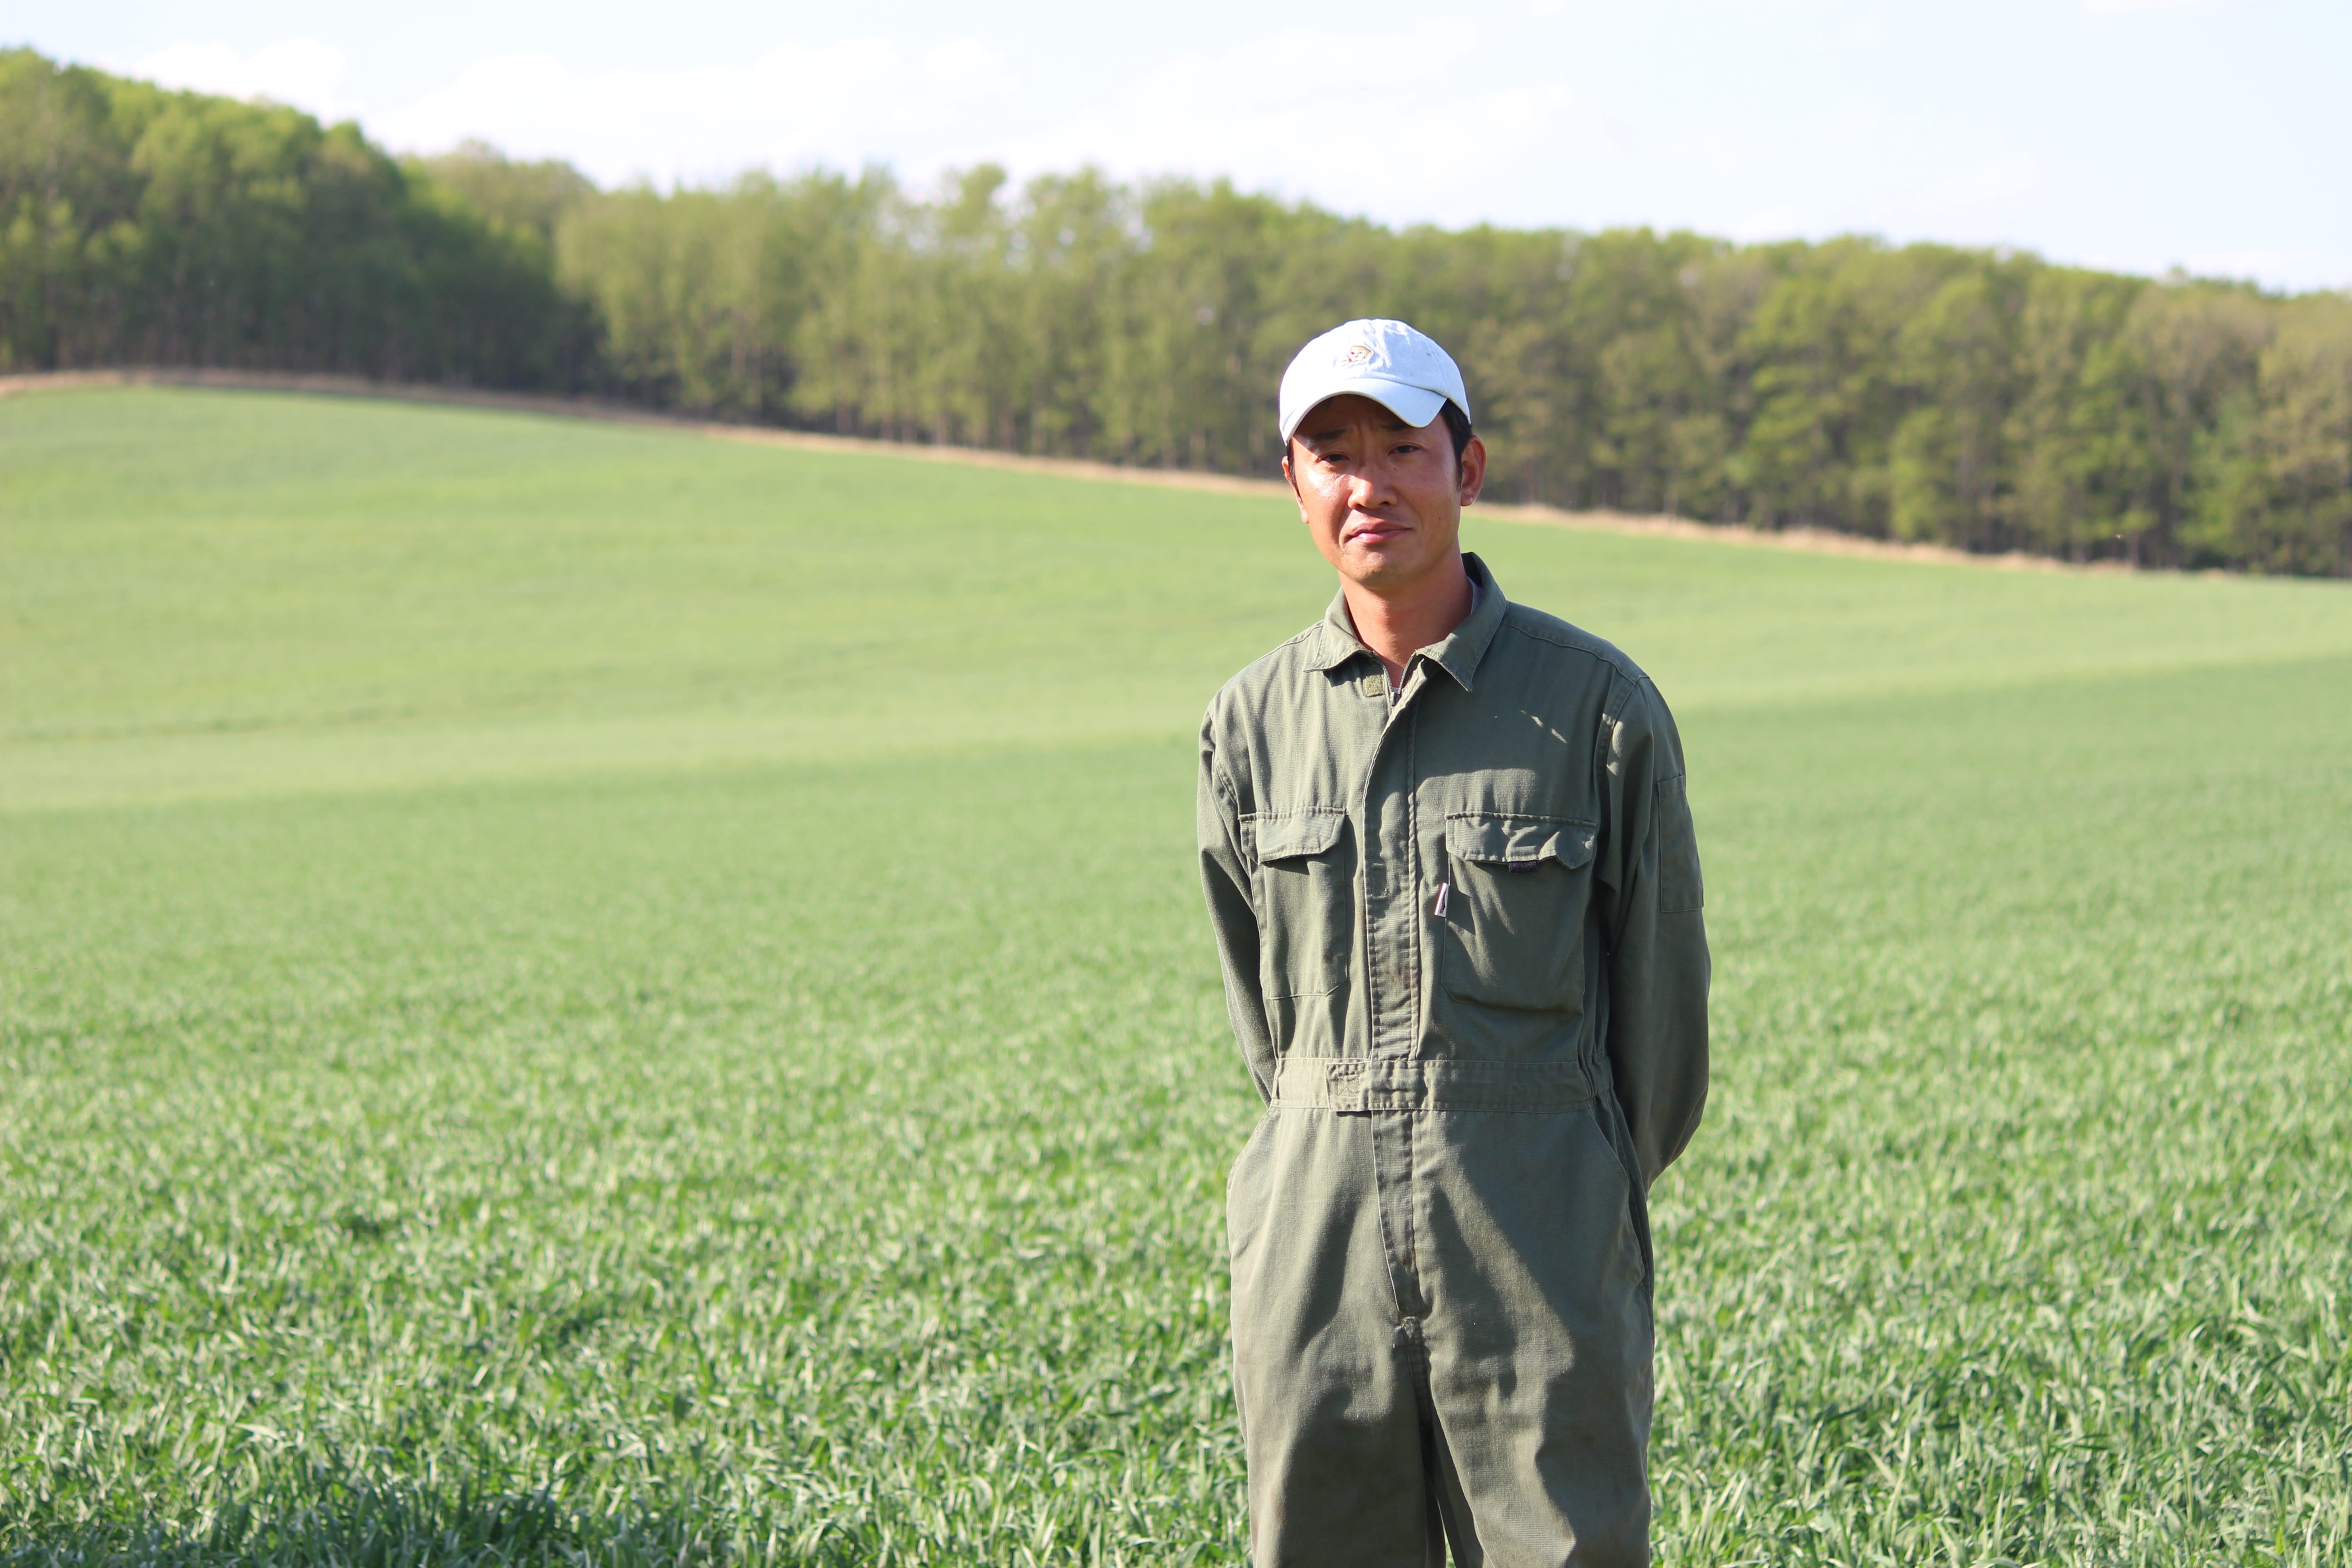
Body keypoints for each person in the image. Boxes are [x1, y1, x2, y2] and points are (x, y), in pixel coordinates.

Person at [1196, 319, 1710, 1567]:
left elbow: (1661, 1032)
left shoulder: (1596, 708)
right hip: (1317, 1245)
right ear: (1295, 487)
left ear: (1466, 470)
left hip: (1535, 1234)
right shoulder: (1250, 723)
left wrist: (1556, 1176)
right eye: (1332, 454)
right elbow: (1268, 1028)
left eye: (1401, 447)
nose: (1369, 483)